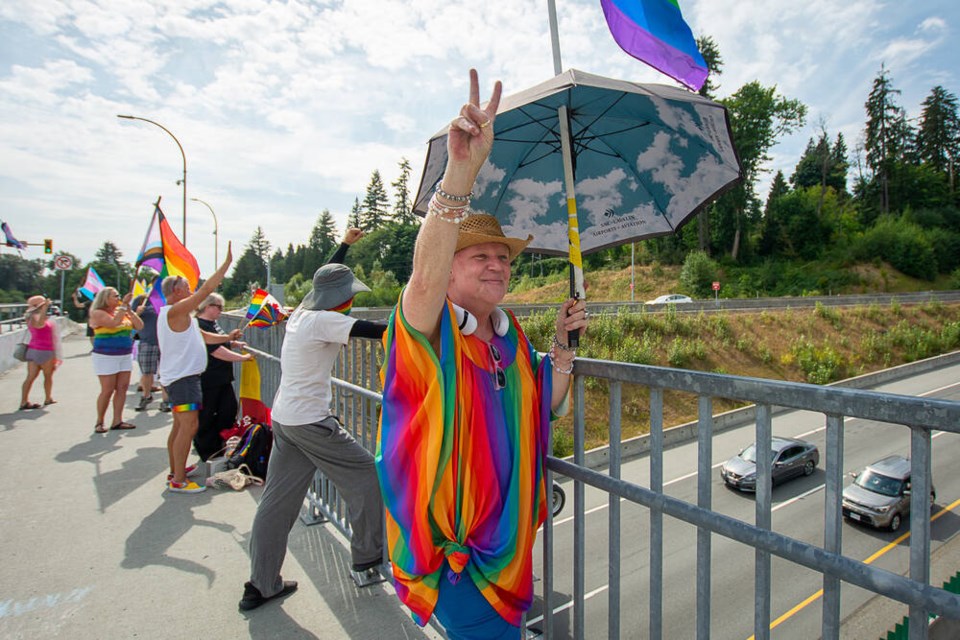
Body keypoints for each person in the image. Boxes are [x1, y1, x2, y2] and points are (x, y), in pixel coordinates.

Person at [376, 70, 588, 639]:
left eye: (503, 256)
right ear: (450, 273)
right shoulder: (431, 326)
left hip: (513, 546)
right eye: (480, 257)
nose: (497, 264)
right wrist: (460, 174)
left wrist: (562, 349)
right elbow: (422, 276)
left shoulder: (509, 334)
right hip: (457, 557)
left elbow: (545, 405)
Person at [241, 228, 387, 612]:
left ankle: (261, 584)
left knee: (276, 502)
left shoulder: (301, 315)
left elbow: (326, 277)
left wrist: (345, 245)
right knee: (368, 478)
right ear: (341, 300)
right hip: (311, 423)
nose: (353, 301)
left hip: (286, 420)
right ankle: (367, 560)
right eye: (351, 296)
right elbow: (385, 333)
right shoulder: (326, 320)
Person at [157, 242, 233, 494]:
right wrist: (225, 266)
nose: (192, 291)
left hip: (181, 379)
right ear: (177, 290)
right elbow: (208, 289)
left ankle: (175, 470)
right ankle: (178, 480)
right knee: (188, 427)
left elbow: (204, 337)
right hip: (183, 380)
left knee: (179, 427)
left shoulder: (178, 316)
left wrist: (228, 337)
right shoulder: (176, 311)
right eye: (188, 288)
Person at [195, 292, 251, 461]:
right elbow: (216, 351)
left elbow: (219, 342)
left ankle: (220, 444)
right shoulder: (200, 325)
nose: (221, 311)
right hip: (210, 378)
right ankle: (208, 451)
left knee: (228, 410)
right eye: (219, 307)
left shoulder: (213, 323)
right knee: (208, 415)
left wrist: (233, 343)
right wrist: (242, 358)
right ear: (208, 306)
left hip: (222, 378)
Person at [89, 287, 144, 433]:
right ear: (105, 298)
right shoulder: (98, 313)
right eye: (115, 296)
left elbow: (139, 326)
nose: (118, 298)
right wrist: (124, 306)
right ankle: (100, 421)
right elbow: (113, 323)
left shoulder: (122, 312)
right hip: (106, 356)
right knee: (107, 389)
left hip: (124, 354)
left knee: (122, 388)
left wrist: (130, 311)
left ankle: (117, 420)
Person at [19, 295, 62, 410]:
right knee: (48, 376)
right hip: (45, 350)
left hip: (33, 350)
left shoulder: (30, 316)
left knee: (30, 377)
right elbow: (40, 324)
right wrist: (44, 308)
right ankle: (48, 398)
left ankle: (24, 401)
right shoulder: (36, 317)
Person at [131, 290, 169, 412]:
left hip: (165, 342)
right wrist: (137, 313)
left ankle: (166, 400)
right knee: (147, 373)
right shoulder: (141, 300)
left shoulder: (166, 301)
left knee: (165, 372)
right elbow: (130, 321)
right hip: (147, 341)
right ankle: (146, 396)